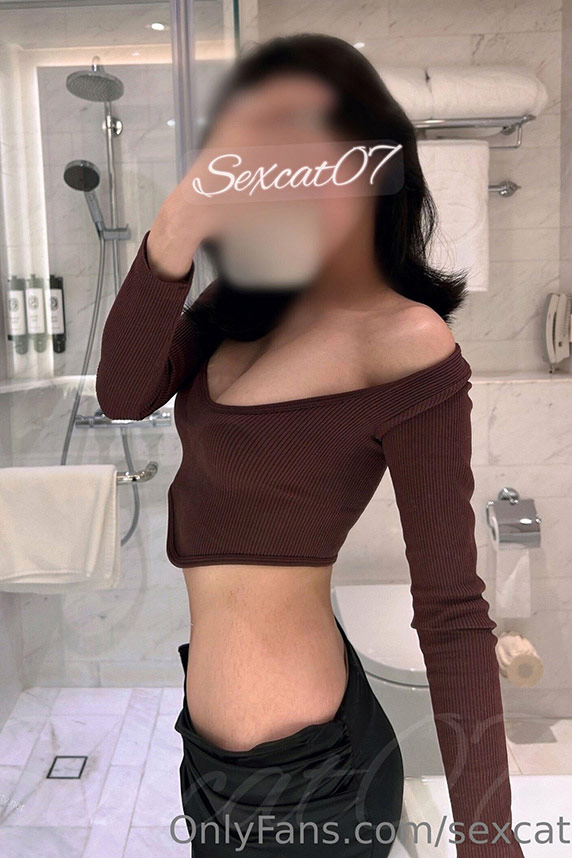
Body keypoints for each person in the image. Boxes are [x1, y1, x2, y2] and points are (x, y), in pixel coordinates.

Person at [96, 33, 524, 858]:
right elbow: (121, 393)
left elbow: (452, 613)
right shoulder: (232, 312)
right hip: (207, 764)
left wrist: (488, 841)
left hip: (315, 778)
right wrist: (178, 221)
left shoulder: (405, 340)